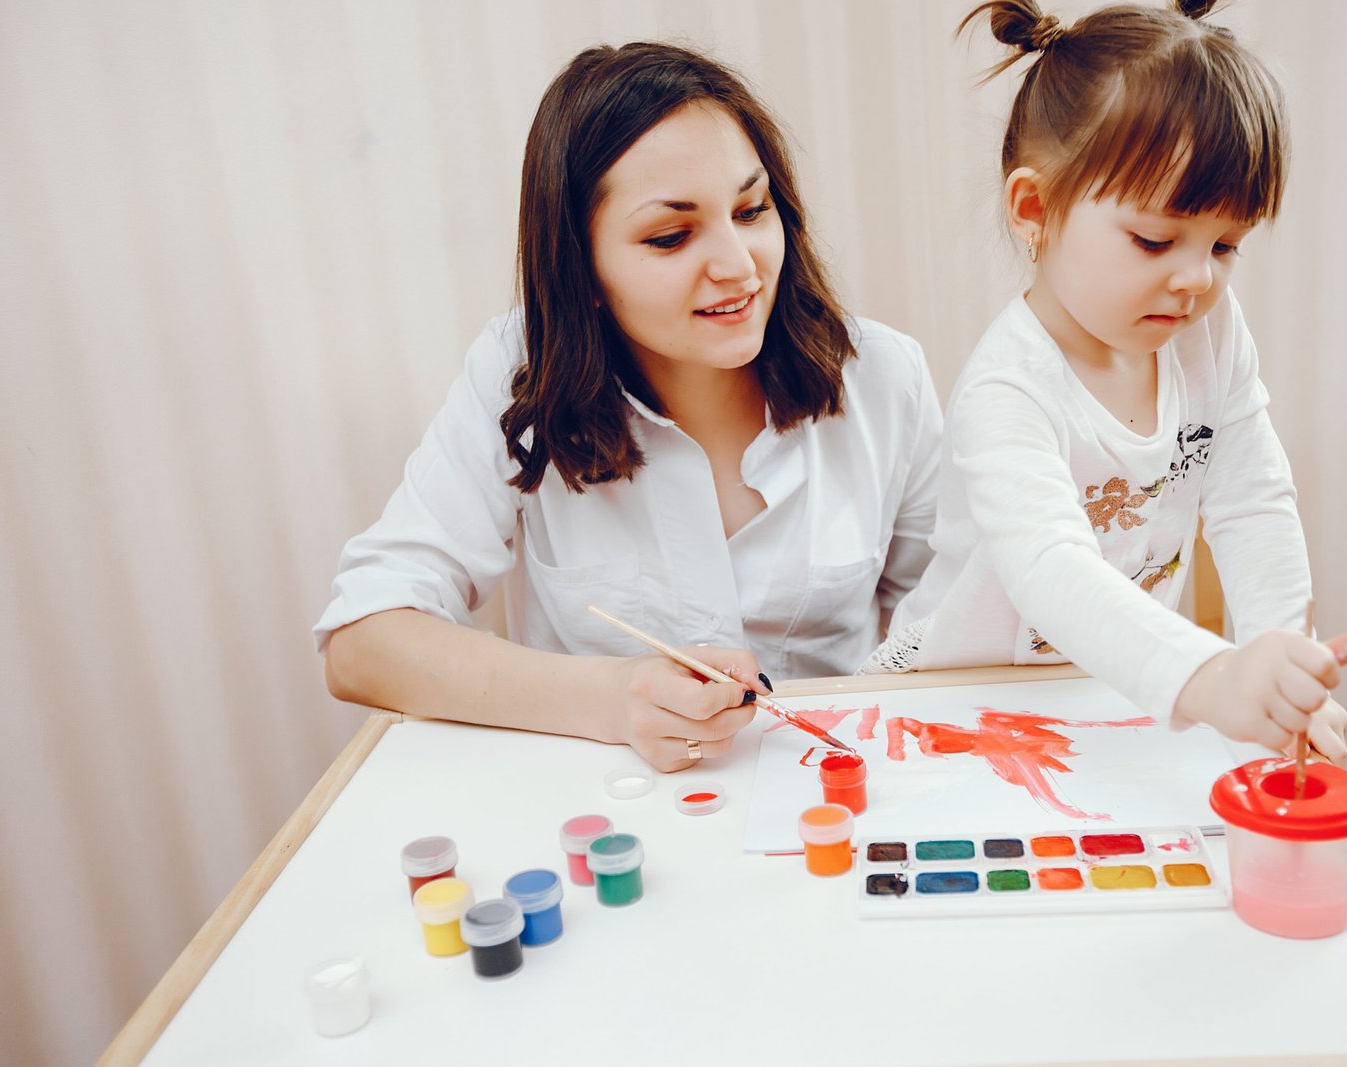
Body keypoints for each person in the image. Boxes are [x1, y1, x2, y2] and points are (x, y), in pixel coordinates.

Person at [316, 42, 942, 772]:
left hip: (831, 800)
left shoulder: (882, 378)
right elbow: (362, 642)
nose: (739, 265)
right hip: (612, 818)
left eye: (751, 208)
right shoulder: (518, 374)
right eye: (671, 235)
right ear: (579, 268)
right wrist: (612, 697)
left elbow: (948, 622)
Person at [865, 0, 1347, 762]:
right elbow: (1049, 569)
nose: (1196, 278)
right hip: (959, 694)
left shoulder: (1211, 339)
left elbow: (1252, 501)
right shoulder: (1008, 389)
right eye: (1156, 239)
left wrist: (1278, 666)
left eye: (1226, 245)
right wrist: (1210, 673)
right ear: (1036, 209)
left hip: (1114, 684)